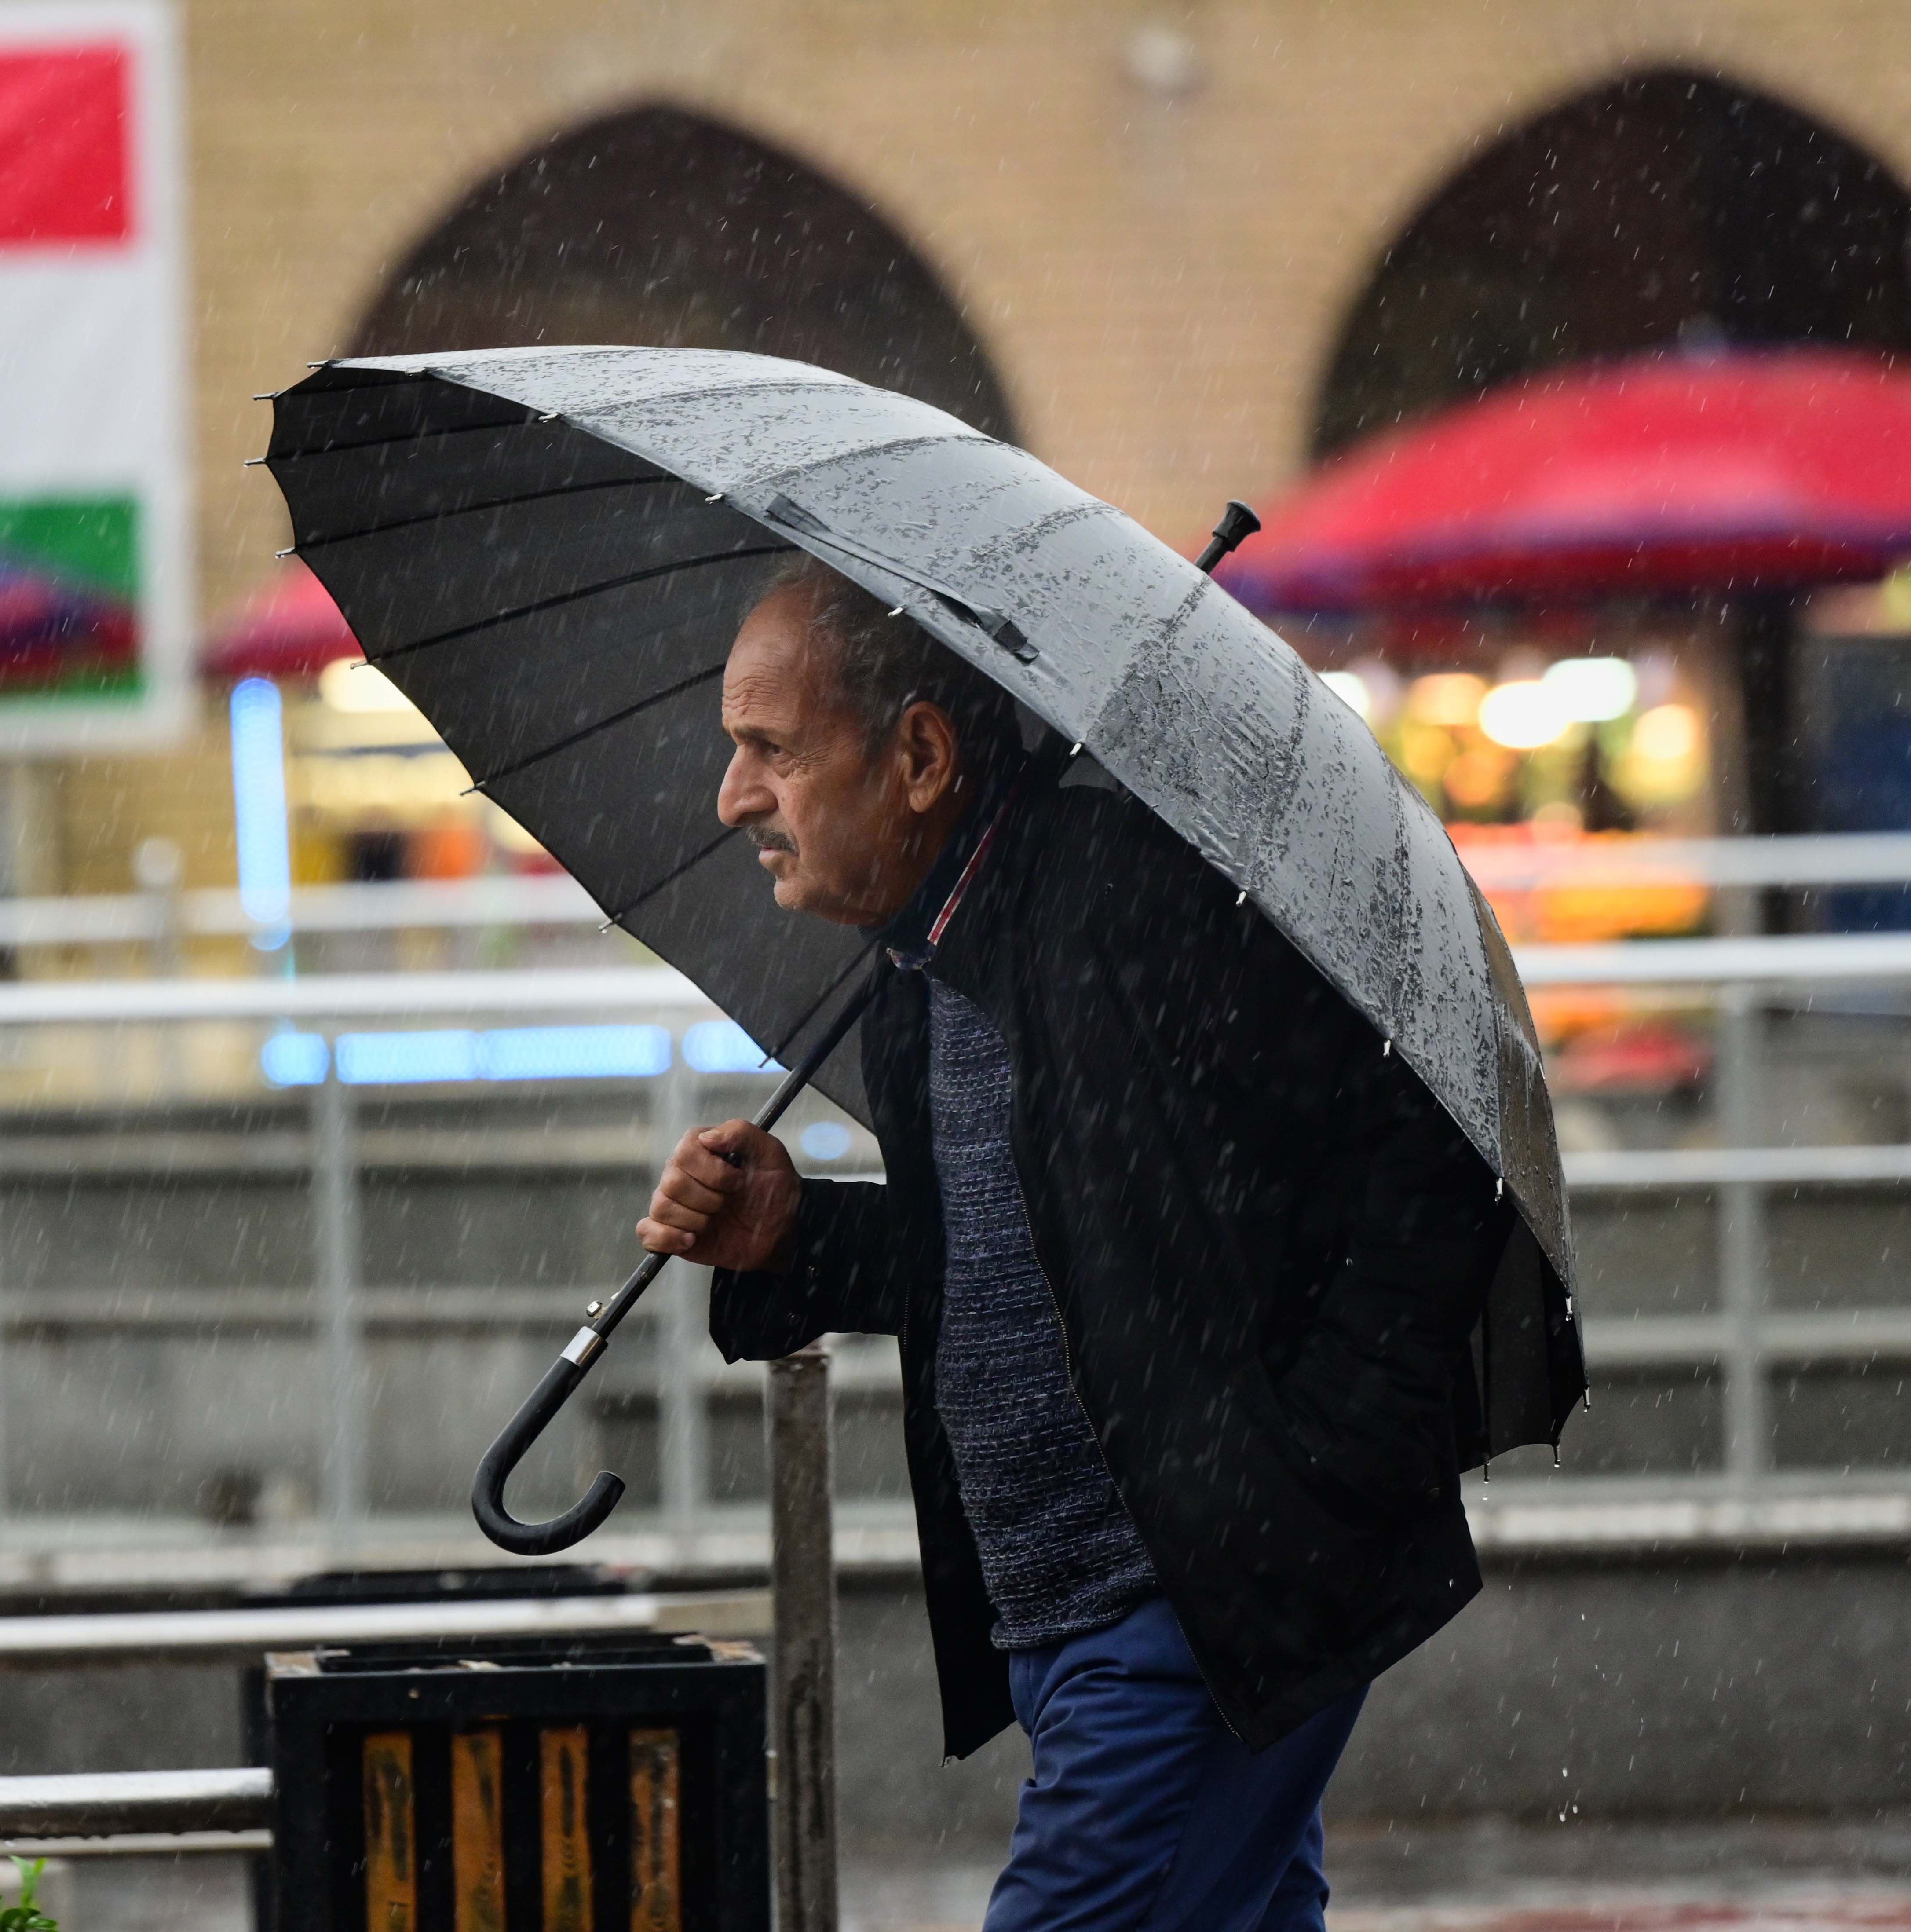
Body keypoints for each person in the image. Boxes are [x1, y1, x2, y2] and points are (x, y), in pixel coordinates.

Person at [637, 556, 1513, 1931]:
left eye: (771, 751)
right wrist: (793, 1233)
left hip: (1186, 1611)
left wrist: (1301, 1498)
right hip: (1070, 1624)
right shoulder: (923, 976)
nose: (733, 798)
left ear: (920, 754)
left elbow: (1424, 1160)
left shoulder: (1134, 908)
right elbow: (1013, 1257)